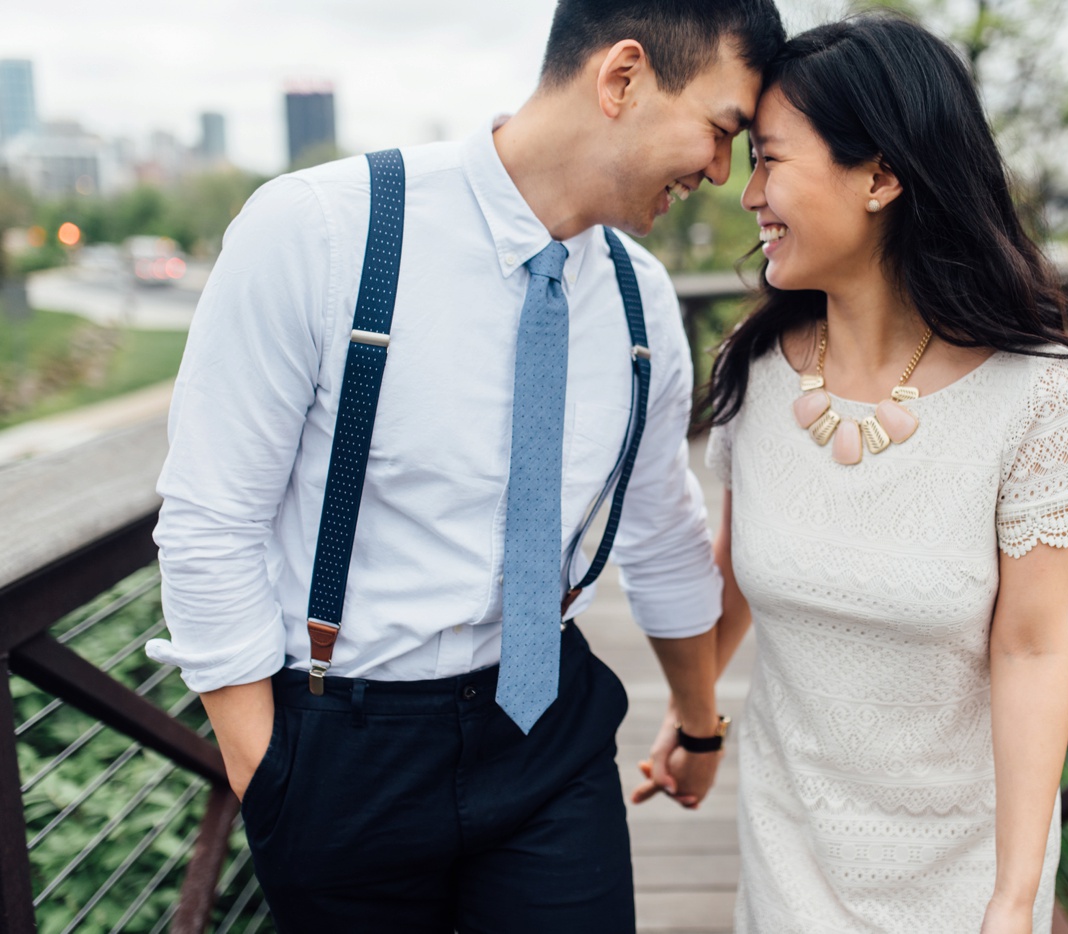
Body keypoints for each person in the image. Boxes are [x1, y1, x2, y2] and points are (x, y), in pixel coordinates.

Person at [146, 2, 784, 930]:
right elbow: (210, 522)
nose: (722, 174)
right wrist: (271, 777)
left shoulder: (642, 303)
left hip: (549, 738)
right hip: (343, 750)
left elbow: (662, 533)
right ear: (624, 77)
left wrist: (696, 723)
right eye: (721, 131)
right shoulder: (319, 230)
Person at [647, 14, 1068, 934]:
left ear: (882, 176)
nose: (748, 197)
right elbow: (736, 575)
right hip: (789, 855)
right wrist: (694, 715)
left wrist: (1014, 900)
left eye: (770, 161)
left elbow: (1031, 649)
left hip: (964, 874)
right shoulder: (753, 372)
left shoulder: (1034, 395)